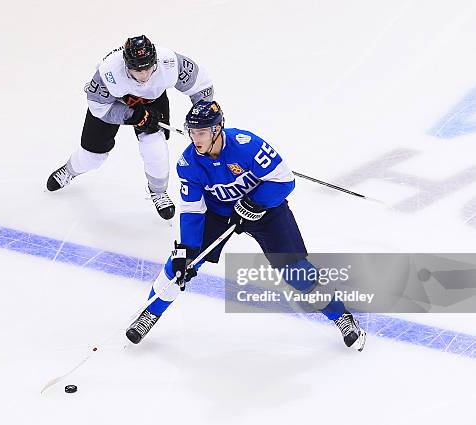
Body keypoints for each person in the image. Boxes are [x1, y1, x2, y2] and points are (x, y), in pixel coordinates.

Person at [125, 100, 367, 351]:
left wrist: (254, 203)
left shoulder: (247, 145)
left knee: (296, 272)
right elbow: (192, 210)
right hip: (218, 214)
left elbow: (284, 181)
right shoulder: (188, 164)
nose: (195, 139)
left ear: (217, 129)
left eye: (202, 132)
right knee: (180, 264)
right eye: (192, 132)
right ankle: (150, 312)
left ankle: (342, 316)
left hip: (266, 211)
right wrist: (186, 248)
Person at [47, 35, 214, 220]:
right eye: (136, 70)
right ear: (126, 65)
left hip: (152, 101)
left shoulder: (170, 62)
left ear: (155, 61)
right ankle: (69, 171)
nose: (143, 76)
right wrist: (132, 116)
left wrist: (202, 119)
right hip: (112, 103)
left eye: (148, 69)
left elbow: (202, 87)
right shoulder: (108, 72)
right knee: (92, 157)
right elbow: (98, 106)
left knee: (155, 149)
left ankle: (158, 192)